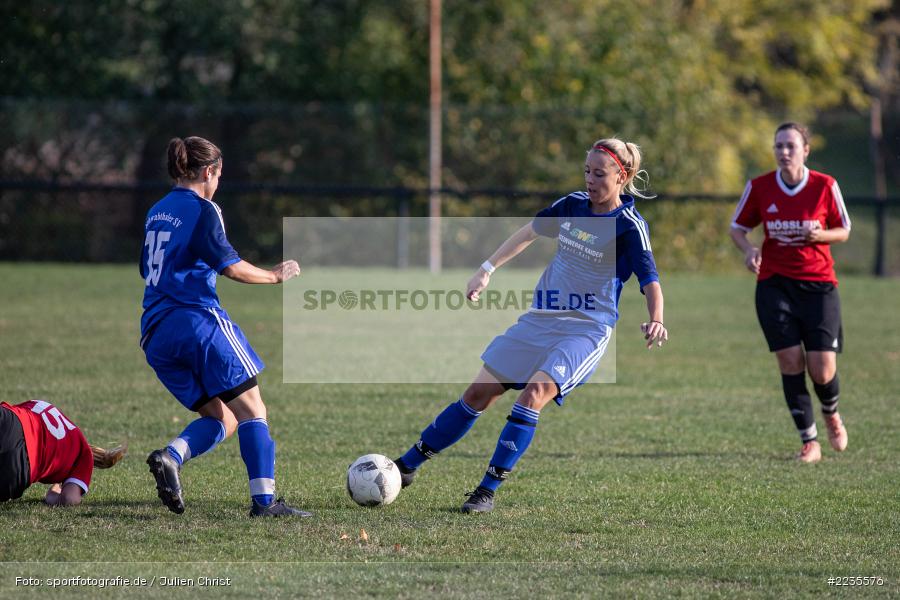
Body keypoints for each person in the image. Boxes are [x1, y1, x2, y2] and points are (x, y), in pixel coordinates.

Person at [394, 138, 668, 513]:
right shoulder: (571, 205)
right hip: (541, 319)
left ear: (622, 177)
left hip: (586, 328)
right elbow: (529, 232)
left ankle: (486, 490)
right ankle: (407, 465)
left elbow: (650, 279)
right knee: (478, 394)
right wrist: (486, 270)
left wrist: (657, 319)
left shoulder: (628, 225)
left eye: (599, 174)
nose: (590, 179)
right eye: (587, 171)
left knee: (535, 392)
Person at [140, 136, 310, 517]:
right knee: (253, 410)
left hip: (154, 333)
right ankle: (265, 503)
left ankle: (171, 456)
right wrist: (273, 276)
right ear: (208, 172)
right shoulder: (204, 209)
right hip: (195, 322)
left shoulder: (157, 209)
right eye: (217, 175)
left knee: (224, 418)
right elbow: (230, 266)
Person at [730, 122, 851, 463]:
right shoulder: (760, 187)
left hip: (818, 285)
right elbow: (737, 228)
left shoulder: (825, 186)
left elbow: (844, 230)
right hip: (774, 284)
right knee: (789, 361)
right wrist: (749, 250)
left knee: (822, 369)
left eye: (791, 146)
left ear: (805, 150)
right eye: (779, 146)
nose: (784, 152)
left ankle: (831, 413)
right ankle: (809, 441)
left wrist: (820, 236)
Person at [1, 399, 126, 506]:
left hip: (12, 422)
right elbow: (70, 499)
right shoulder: (84, 455)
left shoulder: (60, 418)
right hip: (22, 464)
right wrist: (53, 493)